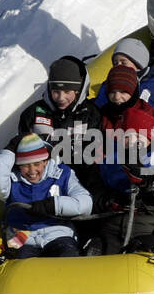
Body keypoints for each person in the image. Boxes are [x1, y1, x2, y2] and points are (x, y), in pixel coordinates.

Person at [0, 134, 93, 258]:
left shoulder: (62, 174)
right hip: (21, 236)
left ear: (45, 161)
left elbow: (85, 203)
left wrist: (53, 205)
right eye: (25, 165)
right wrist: (9, 150)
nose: (32, 171)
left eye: (37, 164)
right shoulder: (11, 180)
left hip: (58, 233)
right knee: (18, 268)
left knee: (68, 258)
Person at [18, 55, 105, 201]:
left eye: (67, 92)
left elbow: (92, 161)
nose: (60, 98)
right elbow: (23, 153)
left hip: (80, 182)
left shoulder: (91, 115)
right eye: (56, 91)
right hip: (41, 182)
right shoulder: (33, 114)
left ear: (78, 91)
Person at [97, 122, 154, 255]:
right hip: (113, 225)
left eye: (139, 136)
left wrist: (152, 182)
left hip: (150, 226)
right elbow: (93, 192)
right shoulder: (110, 162)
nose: (133, 141)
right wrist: (106, 200)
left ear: (150, 139)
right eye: (128, 136)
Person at [92, 37, 154, 115]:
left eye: (123, 62)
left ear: (138, 64)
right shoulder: (109, 86)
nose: (118, 67)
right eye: (115, 63)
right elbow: (96, 110)